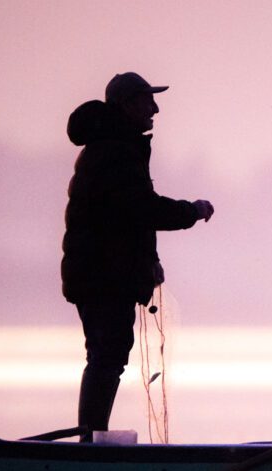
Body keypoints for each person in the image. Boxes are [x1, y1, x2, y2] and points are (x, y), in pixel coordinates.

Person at [61, 72, 215, 441]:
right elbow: (140, 209)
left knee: (107, 354)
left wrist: (149, 263)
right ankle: (90, 442)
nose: (155, 109)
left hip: (101, 274)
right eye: (147, 101)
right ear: (127, 105)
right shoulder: (115, 151)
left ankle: (91, 438)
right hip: (101, 277)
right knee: (107, 355)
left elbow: (125, 221)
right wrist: (190, 211)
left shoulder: (115, 147)